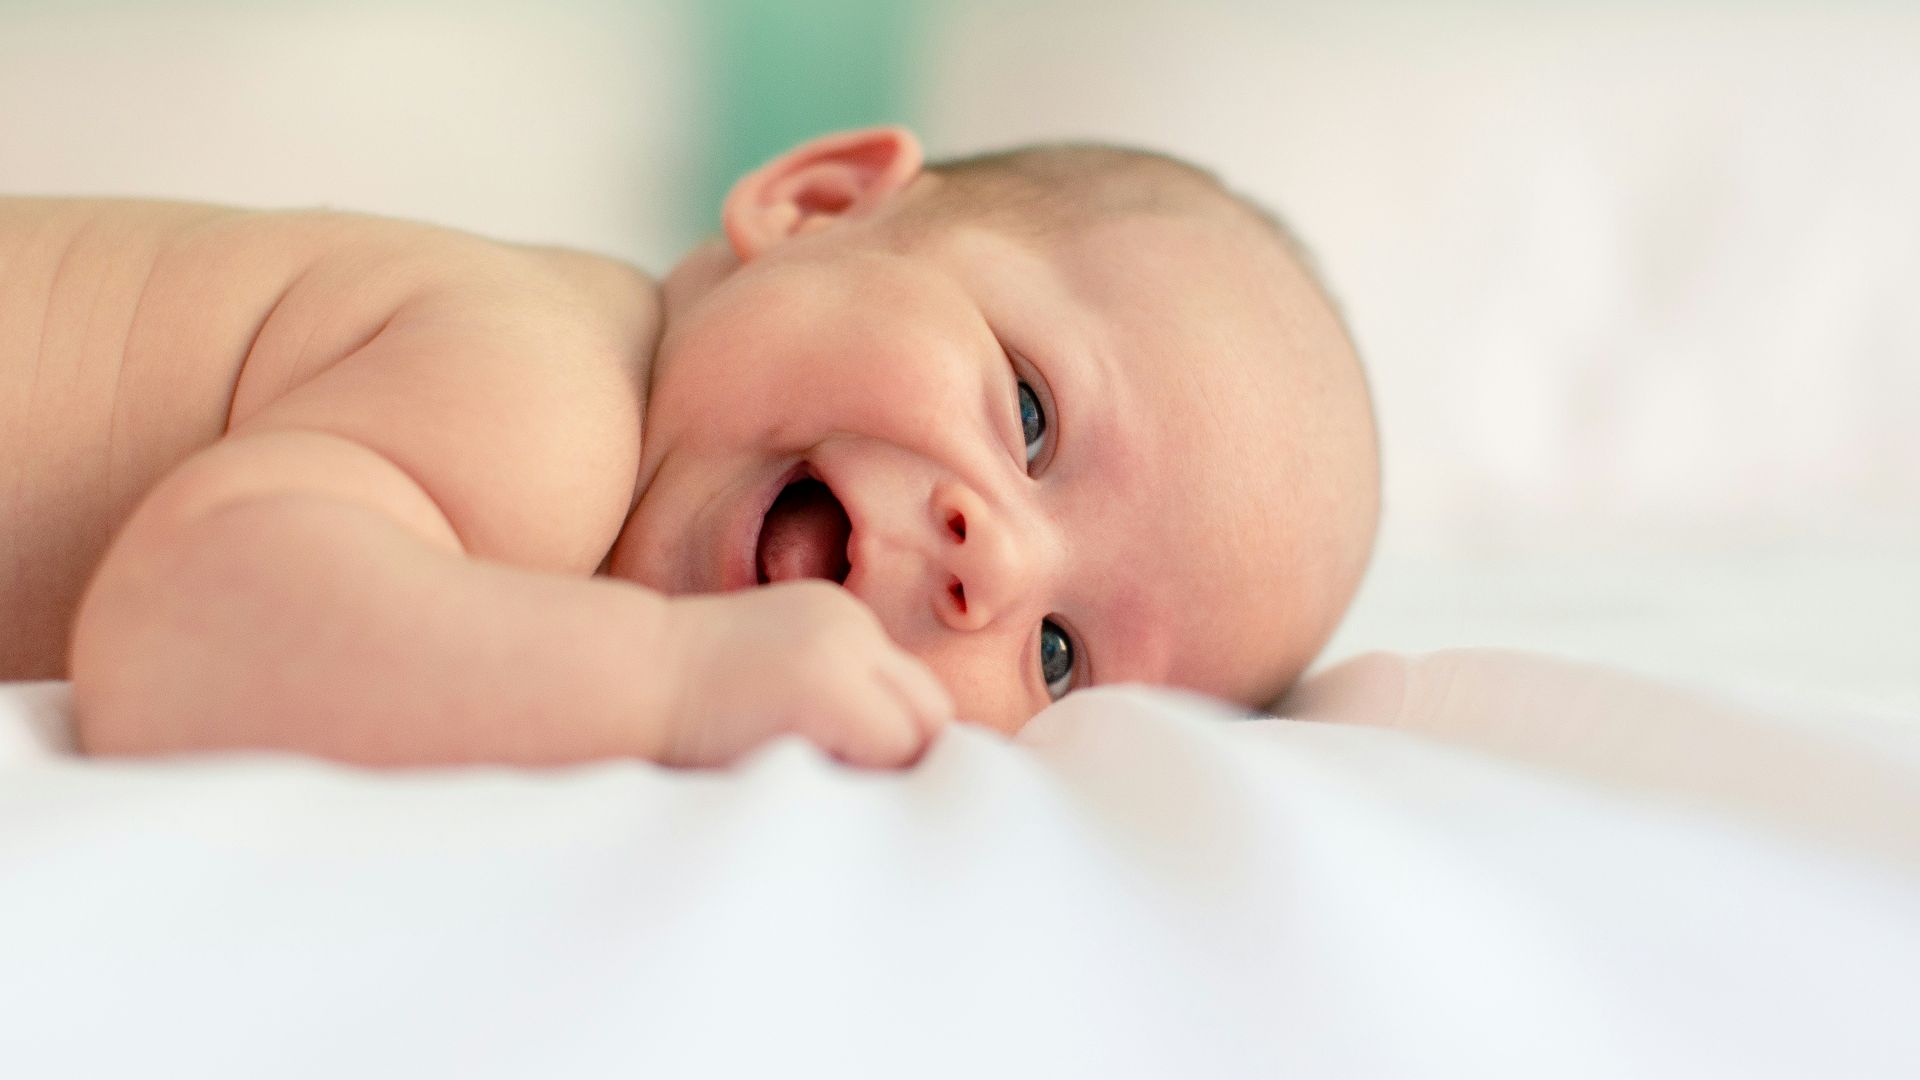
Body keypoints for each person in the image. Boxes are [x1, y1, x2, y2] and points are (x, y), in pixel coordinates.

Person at [0, 126, 1378, 769]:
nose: (993, 568)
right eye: (1028, 413)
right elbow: (183, 635)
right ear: (816, 202)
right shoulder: (550, 396)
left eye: (1059, 658)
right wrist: (666, 683)